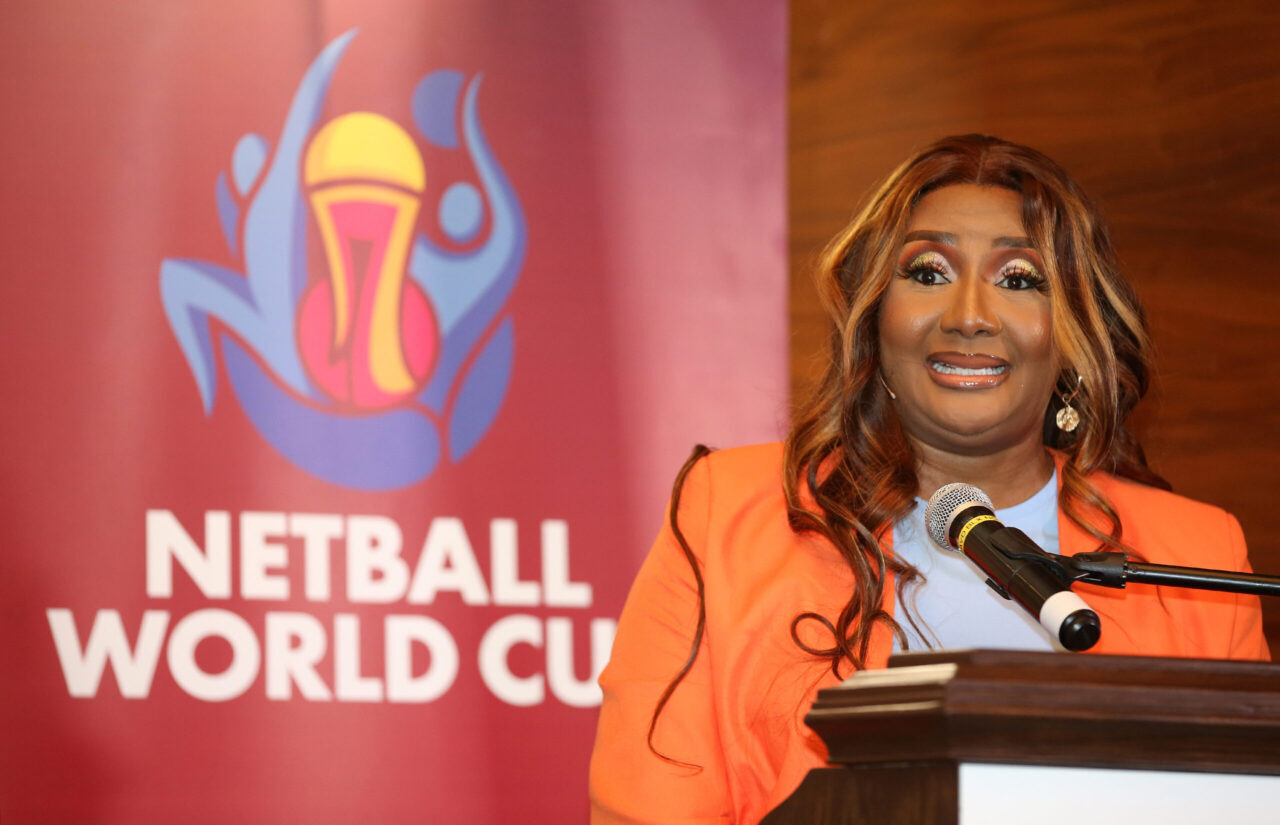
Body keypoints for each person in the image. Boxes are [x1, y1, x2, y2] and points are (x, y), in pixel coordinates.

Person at [587, 135, 1270, 825]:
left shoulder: (1197, 554)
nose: (969, 315)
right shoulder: (728, 513)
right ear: (875, 318)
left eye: (1019, 279)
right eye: (928, 271)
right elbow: (649, 805)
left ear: (1073, 335)